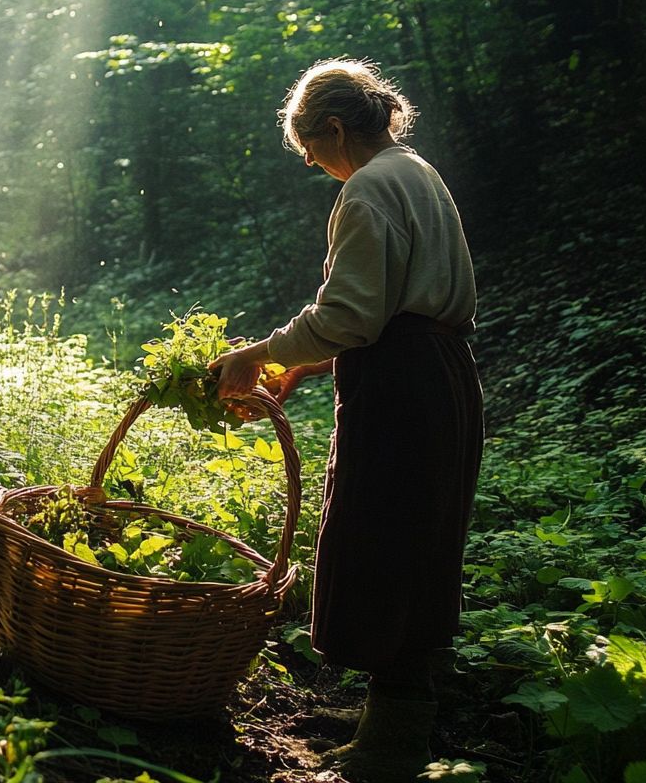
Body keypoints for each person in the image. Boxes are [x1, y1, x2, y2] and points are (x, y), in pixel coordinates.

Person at [209, 58, 483, 783]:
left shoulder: (368, 188)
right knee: (418, 539)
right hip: (439, 378)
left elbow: (351, 316)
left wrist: (259, 354)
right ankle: (388, 714)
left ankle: (393, 743)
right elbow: (394, 306)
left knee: (383, 536)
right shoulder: (416, 172)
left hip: (402, 388)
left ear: (333, 128)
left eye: (309, 146)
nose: (309, 162)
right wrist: (310, 360)